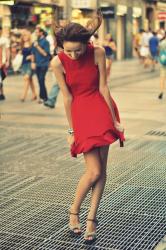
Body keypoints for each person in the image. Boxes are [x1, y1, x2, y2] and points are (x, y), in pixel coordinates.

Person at [51, 11, 125, 244]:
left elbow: (104, 87)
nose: (73, 55)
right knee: (93, 171)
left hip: (101, 109)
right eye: (68, 50)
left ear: (87, 43)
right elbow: (67, 98)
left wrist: (113, 119)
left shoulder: (98, 53)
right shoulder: (57, 62)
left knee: (102, 171)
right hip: (81, 113)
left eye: (78, 50)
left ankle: (91, 218)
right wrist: (71, 131)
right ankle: (74, 211)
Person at [31, 27, 50, 103]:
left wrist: (37, 46)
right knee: (39, 81)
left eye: (37, 32)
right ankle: (44, 97)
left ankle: (42, 97)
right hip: (37, 64)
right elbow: (33, 53)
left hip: (44, 64)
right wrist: (33, 62)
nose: (35, 34)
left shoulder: (45, 42)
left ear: (41, 33)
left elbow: (45, 53)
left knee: (41, 80)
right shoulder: (35, 42)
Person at [20, 30, 37, 102]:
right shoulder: (22, 44)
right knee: (30, 80)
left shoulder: (32, 44)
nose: (24, 37)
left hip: (30, 64)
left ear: (29, 36)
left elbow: (34, 54)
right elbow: (21, 53)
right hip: (23, 64)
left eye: (26, 35)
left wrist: (32, 59)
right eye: (23, 35)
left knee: (26, 78)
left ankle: (23, 95)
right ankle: (34, 94)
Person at [0, 26, 10, 101]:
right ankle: (2, 94)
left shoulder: (4, 40)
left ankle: (2, 93)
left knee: (1, 78)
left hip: (1, 62)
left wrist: (7, 61)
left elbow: (7, 51)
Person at [158, 32, 166, 99]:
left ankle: (161, 91)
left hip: (163, 62)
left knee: (162, 78)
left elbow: (160, 52)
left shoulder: (162, 42)